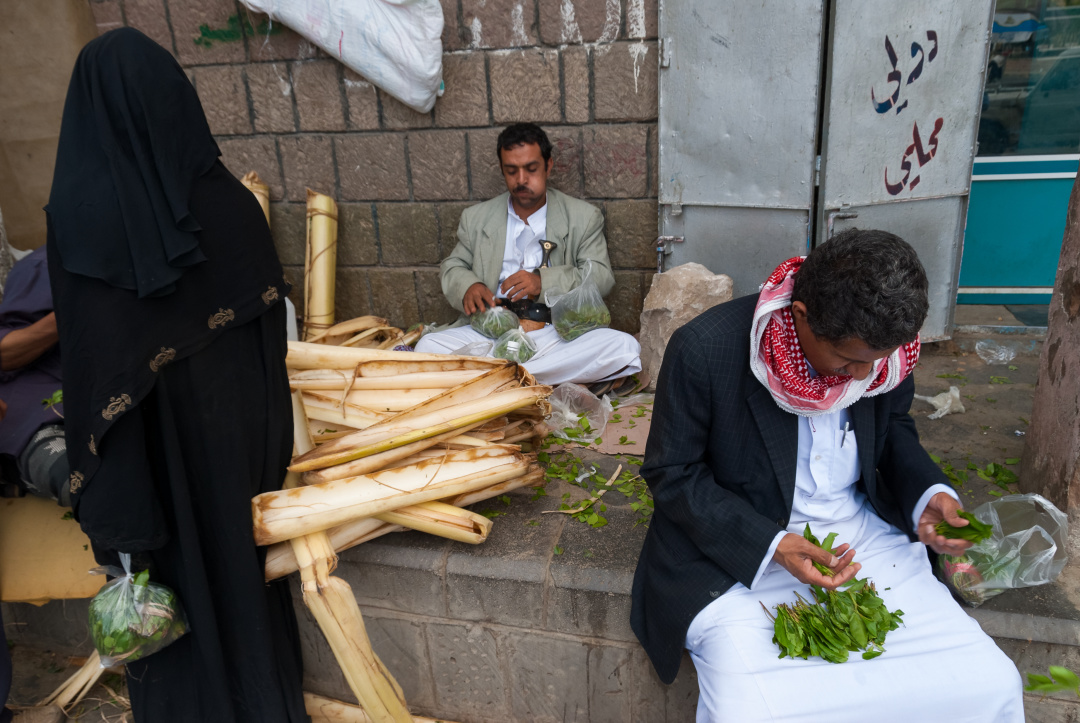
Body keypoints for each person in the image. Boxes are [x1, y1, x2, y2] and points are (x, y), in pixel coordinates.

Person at [631, 229, 1024, 721]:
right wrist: (773, 545)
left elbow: (894, 428)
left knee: (989, 684)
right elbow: (673, 473)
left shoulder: (882, 353)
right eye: (849, 360)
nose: (865, 377)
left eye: (877, 362)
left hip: (866, 545)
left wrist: (929, 494)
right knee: (754, 710)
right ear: (802, 319)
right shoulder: (705, 350)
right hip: (740, 558)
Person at [46, 28, 306, 722]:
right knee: (245, 595)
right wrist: (266, 458)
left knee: (181, 620)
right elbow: (267, 347)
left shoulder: (78, 225)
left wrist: (120, 519)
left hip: (152, 478)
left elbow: (95, 382)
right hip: (236, 462)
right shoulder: (229, 204)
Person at [415, 123, 641, 388]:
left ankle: (497, 379)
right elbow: (454, 265)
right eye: (511, 171)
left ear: (548, 166)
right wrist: (469, 285)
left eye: (531, 169)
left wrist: (542, 282)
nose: (521, 179)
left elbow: (601, 277)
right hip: (491, 333)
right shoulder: (475, 218)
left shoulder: (583, 217)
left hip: (553, 336)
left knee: (624, 347)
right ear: (503, 170)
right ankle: (540, 381)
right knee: (427, 346)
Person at [0, 246, 69, 505]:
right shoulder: (43, 266)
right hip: (41, 414)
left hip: (117, 402)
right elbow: (6, 354)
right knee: (85, 482)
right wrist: (70, 308)